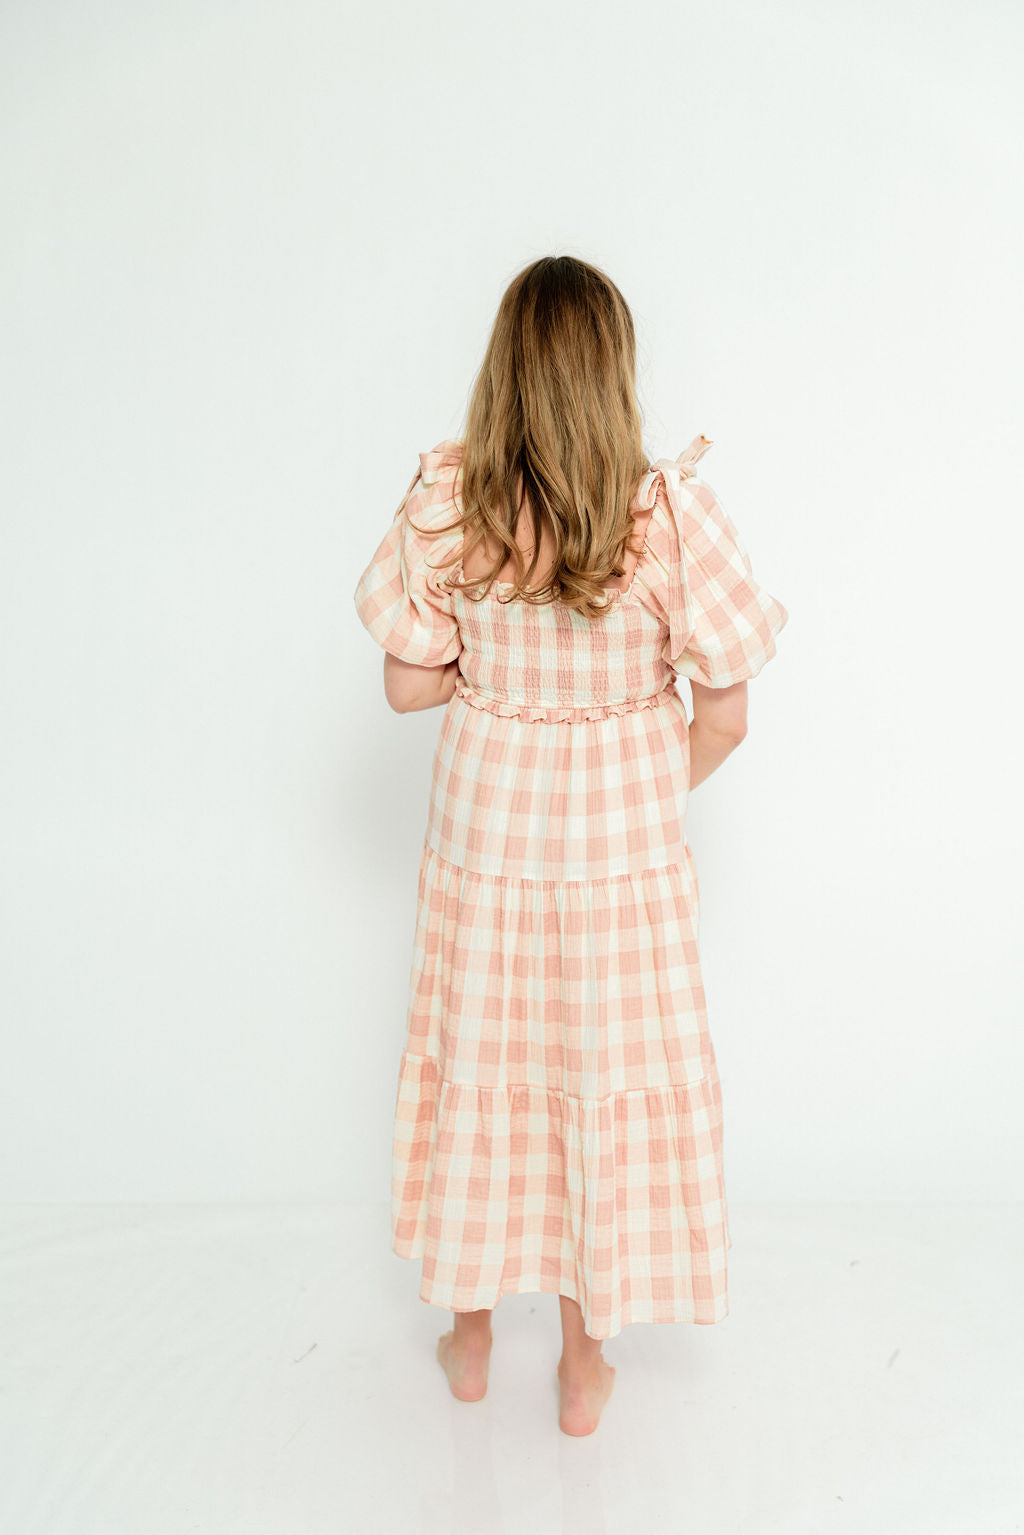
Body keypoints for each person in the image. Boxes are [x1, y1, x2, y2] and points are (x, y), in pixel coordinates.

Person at [352, 255, 789, 1436]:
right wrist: (643, 788)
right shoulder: (665, 515)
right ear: (613, 372)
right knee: (595, 1075)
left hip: (484, 840)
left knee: (483, 1060)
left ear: (504, 369)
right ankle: (585, 1365)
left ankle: (470, 1338)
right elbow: (727, 714)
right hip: (617, 862)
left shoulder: (454, 502)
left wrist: (491, 671)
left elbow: (406, 684)